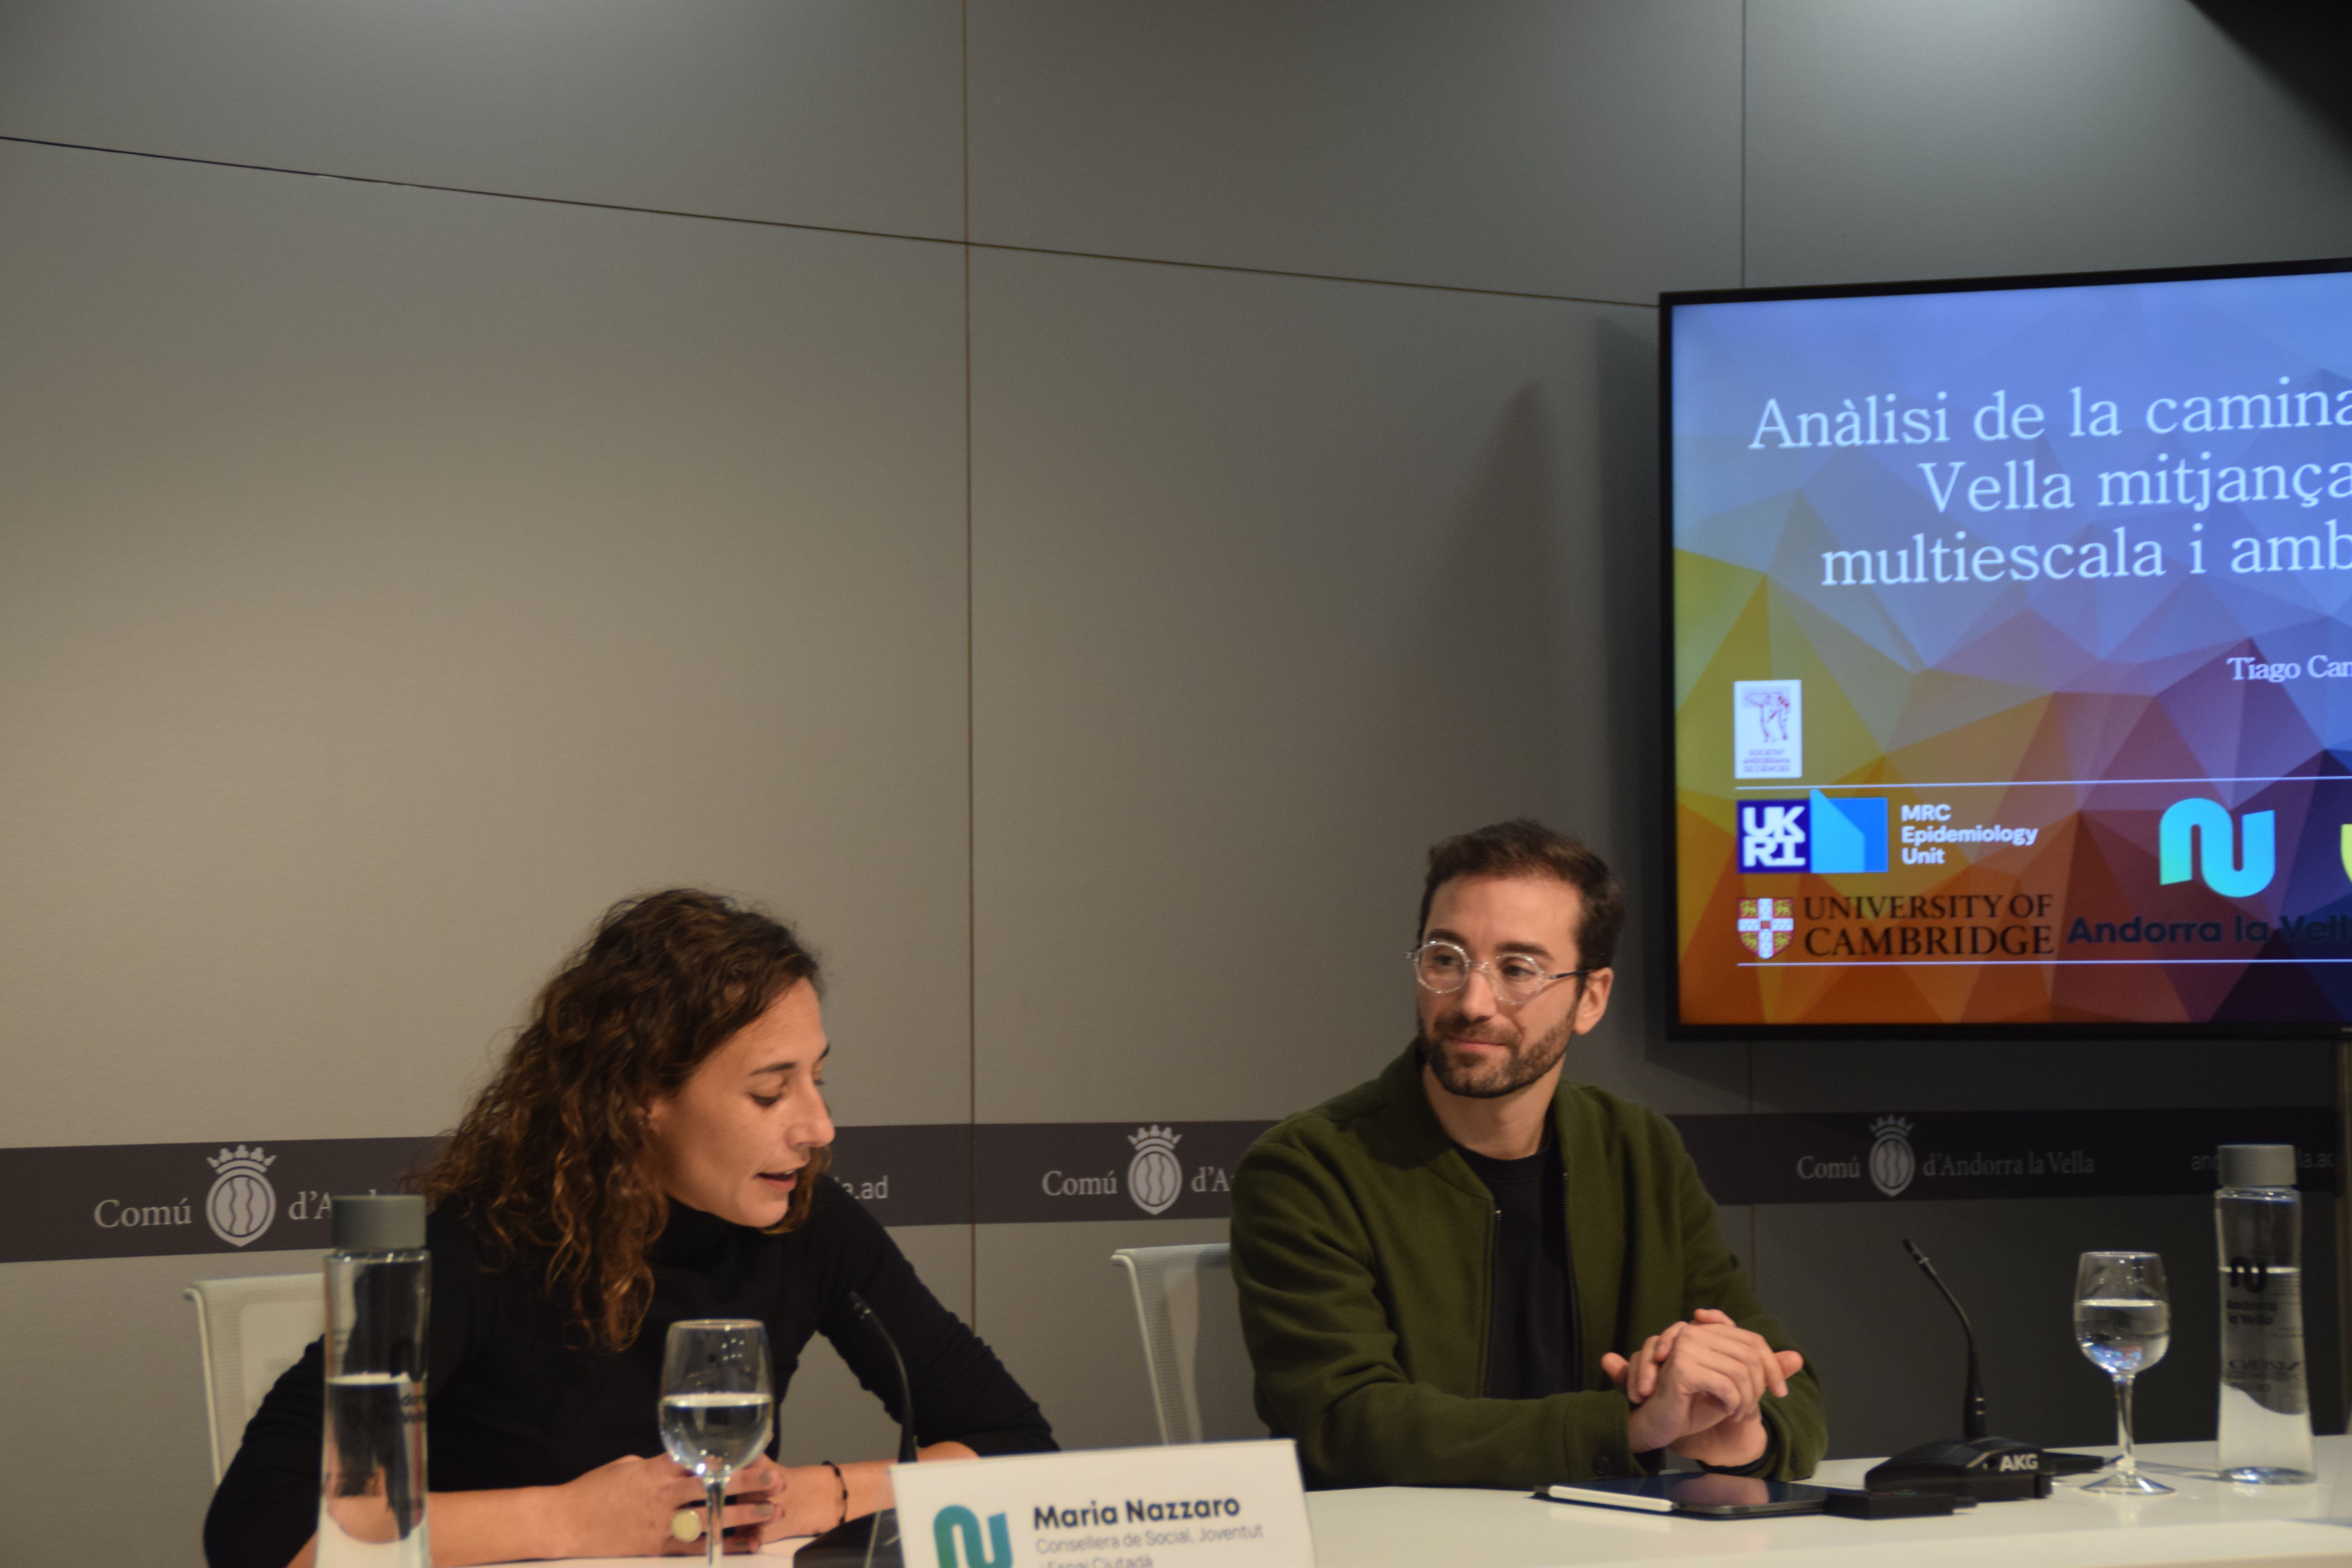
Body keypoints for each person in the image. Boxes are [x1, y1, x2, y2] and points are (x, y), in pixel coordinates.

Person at [206, 889, 1053, 1568]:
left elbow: (1019, 1450)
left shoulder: (806, 1220)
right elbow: (262, 1527)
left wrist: (810, 1495)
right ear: (643, 1094)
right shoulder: (484, 1243)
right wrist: (569, 1517)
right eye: (771, 1091)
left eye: (818, 1079)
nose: (819, 1126)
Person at [1230, 820, 1824, 1489]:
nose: (1472, 1002)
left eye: (1518, 970)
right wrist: (1627, 1429)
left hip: (1607, 1540)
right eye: (1446, 960)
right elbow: (1349, 1424)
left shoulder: (1639, 1151)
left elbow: (1787, 1382)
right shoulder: (1310, 1167)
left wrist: (1740, 1427)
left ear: (1590, 998)